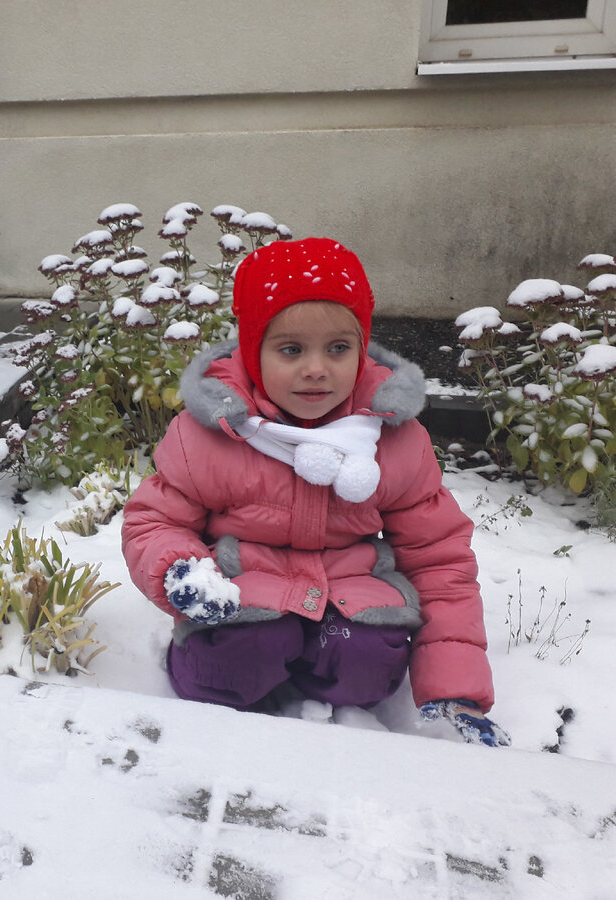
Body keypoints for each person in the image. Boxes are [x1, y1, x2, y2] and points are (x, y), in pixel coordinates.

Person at [121, 237, 509, 747]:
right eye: (290, 349)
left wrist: (456, 686)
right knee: (234, 664)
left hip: (350, 596)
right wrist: (179, 569)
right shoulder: (211, 433)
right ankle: (232, 662)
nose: (316, 369)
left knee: (367, 670)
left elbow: (437, 556)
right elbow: (156, 520)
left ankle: (322, 662)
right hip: (245, 592)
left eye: (338, 348)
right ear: (253, 350)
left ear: (361, 348)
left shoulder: (391, 438)